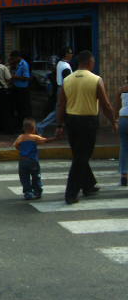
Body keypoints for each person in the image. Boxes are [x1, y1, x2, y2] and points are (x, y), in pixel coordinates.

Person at [56, 51, 117, 204]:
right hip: (88, 122)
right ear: (90, 62)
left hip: (71, 121)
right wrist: (113, 121)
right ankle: (71, 194)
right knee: (82, 157)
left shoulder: (67, 80)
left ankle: (88, 184)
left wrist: (59, 124)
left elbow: (61, 104)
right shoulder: (96, 79)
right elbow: (105, 104)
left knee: (79, 154)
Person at [13, 118, 57, 200]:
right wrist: (55, 138)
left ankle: (28, 192)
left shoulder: (21, 137)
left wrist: (21, 150)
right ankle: (37, 191)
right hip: (33, 160)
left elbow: (15, 145)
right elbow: (45, 140)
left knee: (24, 177)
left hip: (23, 161)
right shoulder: (35, 137)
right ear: (34, 129)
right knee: (36, 176)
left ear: (23, 128)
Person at [37, 47, 73, 135]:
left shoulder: (60, 63)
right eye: (70, 53)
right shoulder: (65, 66)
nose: (72, 54)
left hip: (60, 88)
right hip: (64, 89)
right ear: (66, 54)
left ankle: (61, 129)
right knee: (59, 111)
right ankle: (41, 126)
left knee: (62, 110)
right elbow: (67, 81)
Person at [10, 51, 32, 130]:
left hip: (22, 89)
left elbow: (26, 77)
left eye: (13, 58)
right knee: (18, 108)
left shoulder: (24, 64)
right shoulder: (17, 64)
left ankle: (23, 126)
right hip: (16, 87)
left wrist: (14, 77)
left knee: (23, 108)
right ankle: (18, 125)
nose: (13, 60)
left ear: (17, 57)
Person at [115, 75, 128, 186]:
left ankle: (124, 175)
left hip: (123, 119)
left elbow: (117, 107)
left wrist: (115, 121)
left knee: (124, 147)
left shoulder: (121, 90)